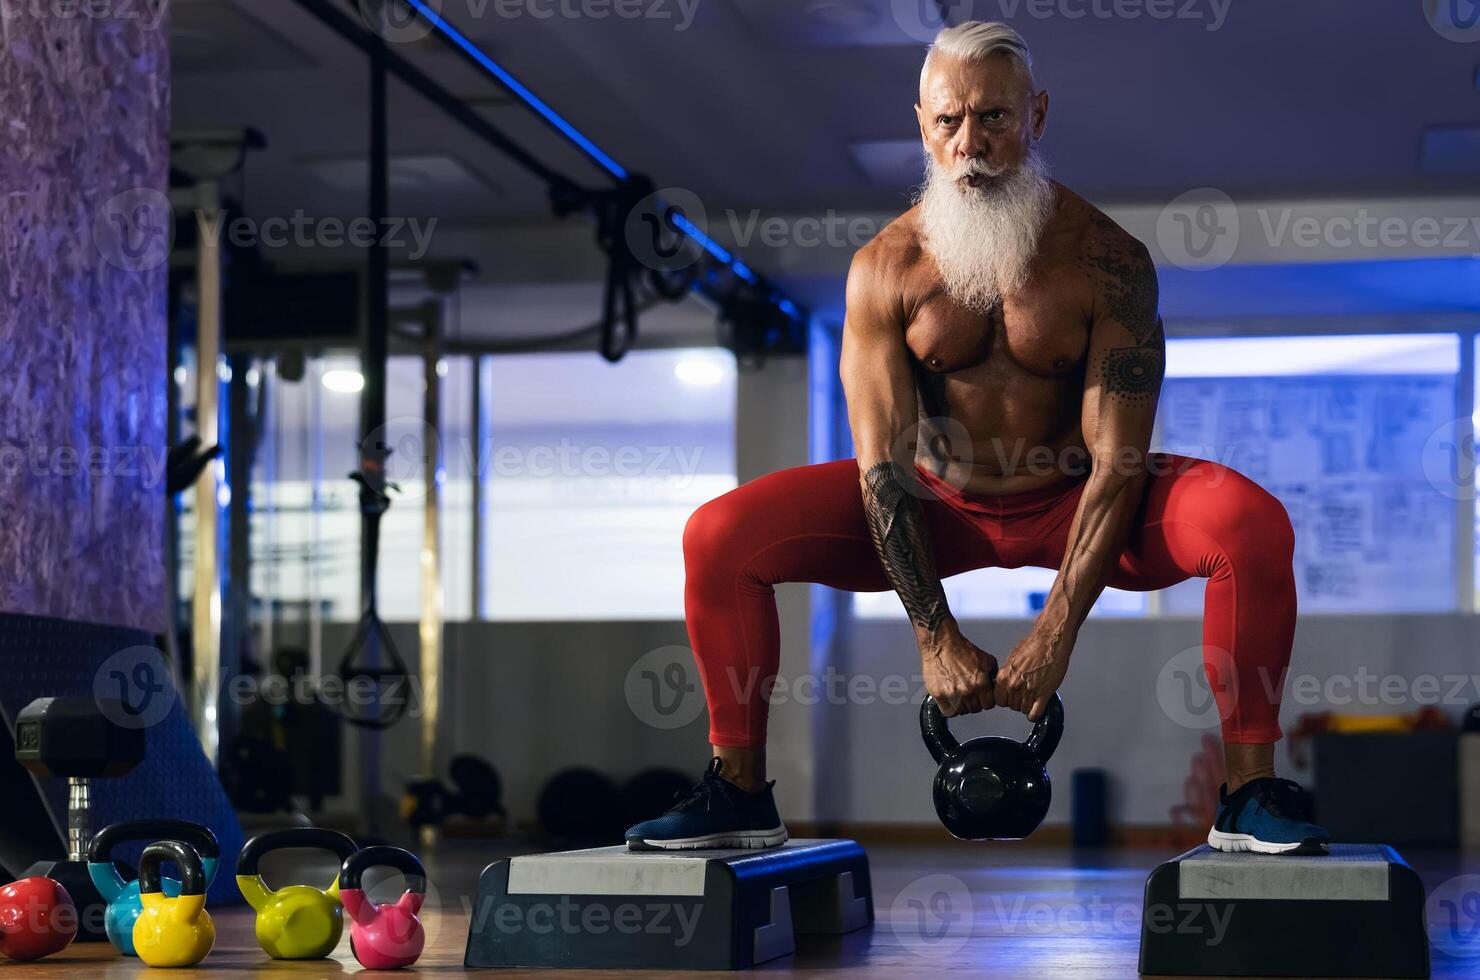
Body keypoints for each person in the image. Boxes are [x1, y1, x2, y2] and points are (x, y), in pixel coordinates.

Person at [625, 21, 1327, 856]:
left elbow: (1119, 462)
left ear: (1037, 117)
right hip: (936, 505)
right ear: (922, 124)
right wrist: (936, 637)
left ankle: (1248, 792)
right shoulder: (887, 267)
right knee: (719, 535)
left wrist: (1055, 632)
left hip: (1081, 500)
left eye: (994, 118)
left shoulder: (1108, 259)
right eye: (949, 121)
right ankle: (738, 793)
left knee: (1250, 524)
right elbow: (882, 466)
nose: (972, 144)